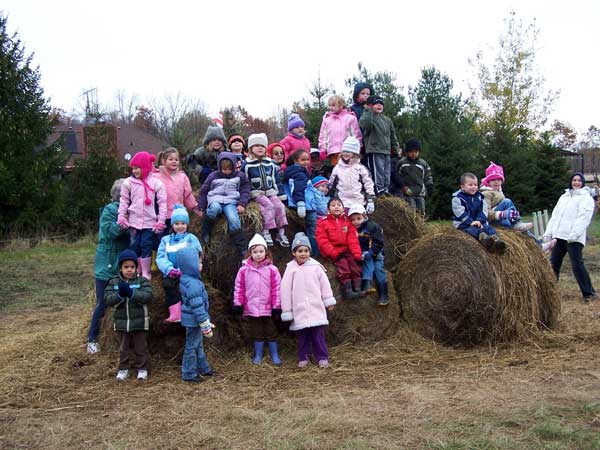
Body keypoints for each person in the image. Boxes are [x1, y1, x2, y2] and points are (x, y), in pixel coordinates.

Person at [86, 179, 130, 354]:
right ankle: (92, 339)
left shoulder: (127, 209)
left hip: (122, 263)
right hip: (107, 264)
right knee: (102, 303)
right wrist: (125, 219)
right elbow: (112, 232)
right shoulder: (110, 211)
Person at [280, 232, 336, 368]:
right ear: (294, 253)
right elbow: (285, 290)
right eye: (300, 251)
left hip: (315, 306)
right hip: (300, 308)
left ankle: (322, 357)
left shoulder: (316, 267)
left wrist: (328, 300)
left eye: (306, 251)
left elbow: (325, 285)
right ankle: (303, 357)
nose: (303, 254)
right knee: (303, 336)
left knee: (318, 335)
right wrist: (287, 310)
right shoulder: (290, 269)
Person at [543, 172, 597, 303]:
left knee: (577, 265)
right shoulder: (564, 197)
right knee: (553, 263)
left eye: (579, 180)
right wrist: (548, 233)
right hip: (559, 236)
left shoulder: (586, 198)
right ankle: (550, 292)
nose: (576, 182)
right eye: (574, 180)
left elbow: (583, 218)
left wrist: (573, 235)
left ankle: (588, 293)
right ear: (571, 182)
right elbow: (555, 216)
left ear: (583, 183)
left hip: (573, 238)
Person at [232, 234, 282, 366]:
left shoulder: (272, 269)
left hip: (268, 308)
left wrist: (277, 306)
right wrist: (238, 303)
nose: (258, 254)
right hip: (252, 308)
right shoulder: (244, 270)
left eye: (261, 251)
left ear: (266, 252)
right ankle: (258, 354)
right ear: (250, 253)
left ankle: (274, 354)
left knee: (271, 330)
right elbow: (239, 287)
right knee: (257, 331)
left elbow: (277, 288)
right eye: (255, 252)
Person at [117, 151, 167, 279]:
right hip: (133, 222)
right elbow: (124, 200)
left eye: (137, 168)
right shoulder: (128, 183)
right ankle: (136, 270)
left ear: (145, 167)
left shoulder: (156, 183)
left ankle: (145, 272)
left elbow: (162, 203)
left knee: (146, 246)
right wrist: (121, 216)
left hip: (149, 223)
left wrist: (161, 220)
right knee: (134, 246)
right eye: (133, 168)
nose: (134, 171)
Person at [105, 249, 153, 381]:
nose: (129, 270)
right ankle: (123, 369)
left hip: (139, 322)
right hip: (122, 322)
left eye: (132, 267)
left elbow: (148, 296)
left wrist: (132, 294)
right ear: (120, 268)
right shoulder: (113, 282)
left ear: (137, 268)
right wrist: (119, 295)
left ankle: (142, 369)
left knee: (140, 346)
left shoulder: (142, 281)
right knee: (123, 348)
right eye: (126, 267)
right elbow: (108, 300)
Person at [156, 205, 203, 323]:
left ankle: (195, 314)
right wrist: (169, 269)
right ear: (172, 225)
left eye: (183, 223)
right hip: (171, 273)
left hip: (187, 272)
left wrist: (189, 268)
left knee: (190, 289)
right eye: (177, 223)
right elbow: (160, 258)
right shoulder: (165, 240)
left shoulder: (191, 238)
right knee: (168, 285)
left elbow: (196, 254)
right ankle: (175, 313)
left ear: (187, 224)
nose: (180, 226)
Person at [197, 152, 250, 256]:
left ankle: (242, 246)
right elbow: (204, 190)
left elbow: (245, 189)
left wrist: (242, 203)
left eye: (229, 169)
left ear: (234, 167)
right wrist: (201, 206)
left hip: (231, 201)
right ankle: (205, 232)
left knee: (233, 219)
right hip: (215, 199)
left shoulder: (240, 176)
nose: (226, 172)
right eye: (224, 169)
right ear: (219, 167)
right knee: (214, 209)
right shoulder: (213, 176)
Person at [243, 133, 289, 247]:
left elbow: (276, 179)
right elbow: (244, 181)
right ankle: (266, 231)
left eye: (262, 146)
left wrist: (281, 194)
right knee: (268, 206)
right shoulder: (247, 164)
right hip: (257, 192)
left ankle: (281, 233)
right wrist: (246, 197)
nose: (260, 148)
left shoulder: (270, 163)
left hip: (270, 191)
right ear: (250, 148)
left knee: (279, 206)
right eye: (256, 145)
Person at [176, 246, 215, 382]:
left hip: (192, 319)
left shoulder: (187, 279)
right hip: (194, 320)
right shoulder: (193, 284)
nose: (201, 264)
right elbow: (197, 306)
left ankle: (203, 367)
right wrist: (204, 322)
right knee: (192, 346)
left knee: (198, 344)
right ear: (191, 264)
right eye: (198, 262)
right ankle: (189, 373)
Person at [316, 197, 365, 299]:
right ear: (328, 209)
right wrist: (333, 253)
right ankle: (348, 291)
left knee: (354, 264)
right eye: (333, 205)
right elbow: (322, 240)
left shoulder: (347, 222)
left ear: (343, 208)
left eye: (339, 205)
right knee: (344, 266)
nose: (336, 207)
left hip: (346, 250)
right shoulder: (323, 222)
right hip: (335, 251)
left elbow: (353, 239)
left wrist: (356, 254)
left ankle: (358, 288)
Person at [452, 173, 506, 253]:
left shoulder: (480, 196)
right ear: (463, 186)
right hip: (464, 224)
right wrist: (471, 222)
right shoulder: (458, 198)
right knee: (473, 230)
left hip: (479, 222)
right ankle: (484, 240)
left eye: (475, 185)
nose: (473, 187)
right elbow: (460, 213)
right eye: (470, 185)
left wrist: (479, 221)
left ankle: (496, 241)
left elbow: (483, 211)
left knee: (489, 228)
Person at [348, 204, 389, 306]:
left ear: (365, 217)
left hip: (376, 253)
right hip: (364, 254)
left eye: (358, 218)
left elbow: (379, 243)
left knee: (379, 270)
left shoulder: (373, 226)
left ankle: (384, 295)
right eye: (353, 219)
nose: (356, 221)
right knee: (367, 264)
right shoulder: (352, 230)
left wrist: (371, 253)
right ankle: (367, 285)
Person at [359, 95, 400, 196]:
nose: (379, 105)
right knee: (378, 173)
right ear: (370, 105)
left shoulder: (387, 120)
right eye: (376, 103)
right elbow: (364, 124)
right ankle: (378, 191)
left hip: (386, 151)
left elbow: (392, 135)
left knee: (386, 173)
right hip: (374, 150)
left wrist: (396, 149)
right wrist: (368, 110)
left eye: (381, 104)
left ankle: (385, 190)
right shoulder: (369, 117)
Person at [479, 161, 533, 233]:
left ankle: (539, 244)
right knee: (506, 201)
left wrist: (509, 214)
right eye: (493, 180)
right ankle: (516, 222)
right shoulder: (486, 193)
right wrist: (502, 214)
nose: (496, 182)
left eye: (498, 179)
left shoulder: (499, 191)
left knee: (523, 230)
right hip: (493, 220)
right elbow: (485, 213)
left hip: (501, 218)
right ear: (488, 181)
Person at [283, 149, 319, 254]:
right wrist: (301, 203)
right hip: (305, 204)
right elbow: (298, 188)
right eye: (303, 160)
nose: (306, 162)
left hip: (303, 204)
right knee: (312, 229)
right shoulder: (299, 173)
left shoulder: (296, 171)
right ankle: (314, 252)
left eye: (308, 159)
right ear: (295, 160)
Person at [329, 136, 376, 214]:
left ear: (355, 154)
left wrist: (370, 200)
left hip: (358, 202)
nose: (346, 154)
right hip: (342, 202)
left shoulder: (360, 168)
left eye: (349, 152)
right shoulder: (337, 168)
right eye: (344, 151)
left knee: (357, 222)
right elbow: (331, 183)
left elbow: (369, 184)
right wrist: (330, 197)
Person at [392, 138, 433, 215]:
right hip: (408, 192)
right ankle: (412, 225)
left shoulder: (423, 163)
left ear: (419, 152)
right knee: (411, 211)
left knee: (421, 211)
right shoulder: (402, 163)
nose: (413, 154)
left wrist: (429, 186)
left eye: (416, 152)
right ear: (407, 152)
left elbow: (428, 176)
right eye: (411, 152)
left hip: (420, 192)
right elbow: (397, 175)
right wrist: (402, 186)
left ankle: (421, 226)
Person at [318, 95, 362, 167]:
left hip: (348, 150)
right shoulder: (327, 120)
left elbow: (356, 134)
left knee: (349, 171)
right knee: (337, 171)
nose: (330, 107)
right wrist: (322, 149)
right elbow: (323, 136)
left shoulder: (350, 118)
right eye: (329, 105)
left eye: (333, 105)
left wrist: (358, 148)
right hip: (333, 151)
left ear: (341, 105)